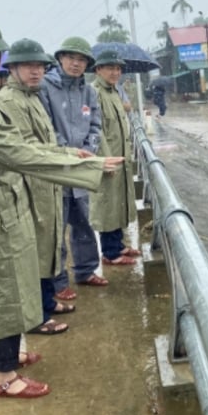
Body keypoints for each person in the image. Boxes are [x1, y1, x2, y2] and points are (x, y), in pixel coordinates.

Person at [0, 18, 123, 399]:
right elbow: (17, 151)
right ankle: (3, 378)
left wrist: (72, 154)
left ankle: (9, 357)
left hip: (0, 200)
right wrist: (85, 165)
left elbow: (33, 144)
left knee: (9, 284)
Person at [0, 38, 80, 328]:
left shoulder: (32, 96)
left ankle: (46, 302)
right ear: (12, 68)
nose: (36, 72)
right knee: (32, 252)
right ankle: (36, 317)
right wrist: (69, 158)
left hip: (45, 183)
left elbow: (46, 139)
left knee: (47, 245)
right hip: (29, 186)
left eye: (40, 67)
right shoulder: (9, 101)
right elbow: (27, 148)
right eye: (28, 66)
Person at [39, 36, 108, 290]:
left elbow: (95, 126)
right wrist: (67, 152)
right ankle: (57, 281)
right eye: (71, 58)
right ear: (60, 59)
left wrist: (87, 150)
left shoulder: (88, 91)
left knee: (84, 222)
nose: (76, 64)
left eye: (81, 60)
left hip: (82, 167)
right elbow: (45, 126)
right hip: (56, 166)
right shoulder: (46, 87)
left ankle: (86, 270)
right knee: (57, 227)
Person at [90, 50, 141, 265]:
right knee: (107, 204)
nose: (115, 72)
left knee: (119, 202)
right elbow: (97, 130)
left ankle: (118, 244)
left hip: (121, 158)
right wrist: (105, 159)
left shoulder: (113, 92)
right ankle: (110, 253)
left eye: (118, 68)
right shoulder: (94, 93)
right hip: (108, 159)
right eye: (110, 68)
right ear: (98, 69)